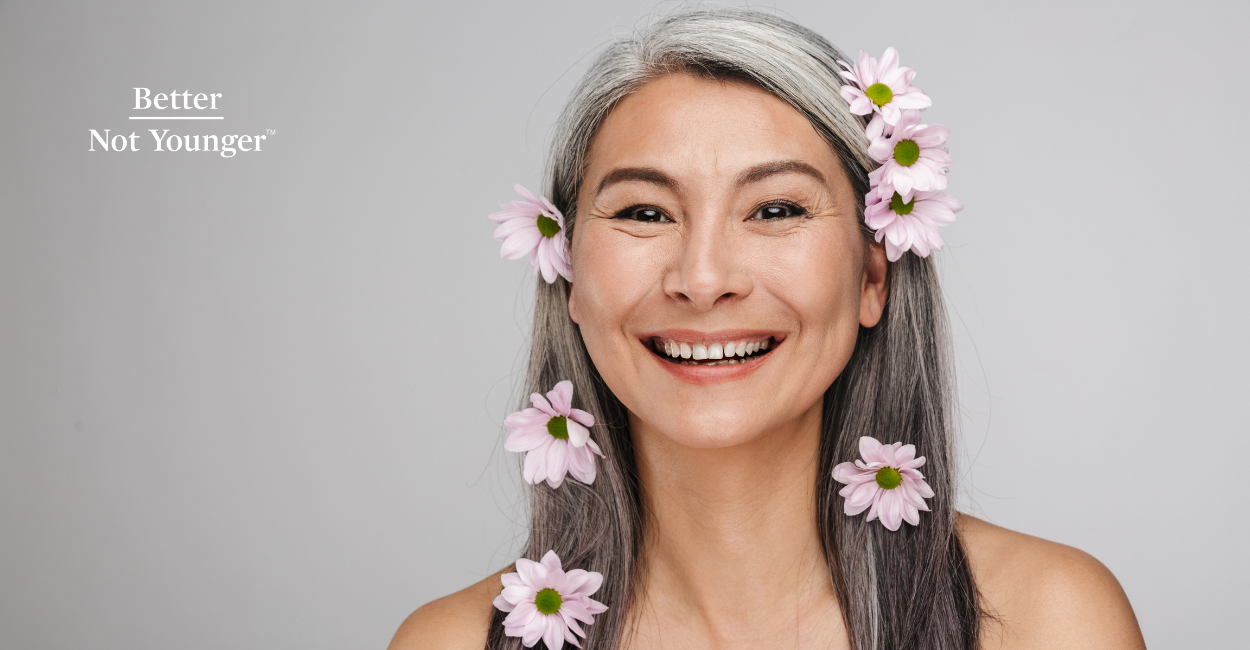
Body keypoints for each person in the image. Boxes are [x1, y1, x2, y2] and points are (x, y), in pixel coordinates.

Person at [390, 9, 1146, 650]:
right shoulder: (447, 642)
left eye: (777, 210)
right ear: (571, 281)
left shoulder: (1050, 621)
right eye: (644, 213)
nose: (705, 277)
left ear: (872, 278)